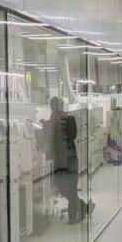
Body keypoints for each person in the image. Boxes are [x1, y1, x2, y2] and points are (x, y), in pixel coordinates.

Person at [45, 96, 89, 224]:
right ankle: (81, 210)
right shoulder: (69, 119)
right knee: (71, 187)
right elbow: (73, 136)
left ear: (52, 107)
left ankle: (76, 214)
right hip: (71, 157)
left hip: (62, 160)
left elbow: (50, 141)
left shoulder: (53, 121)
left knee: (63, 187)